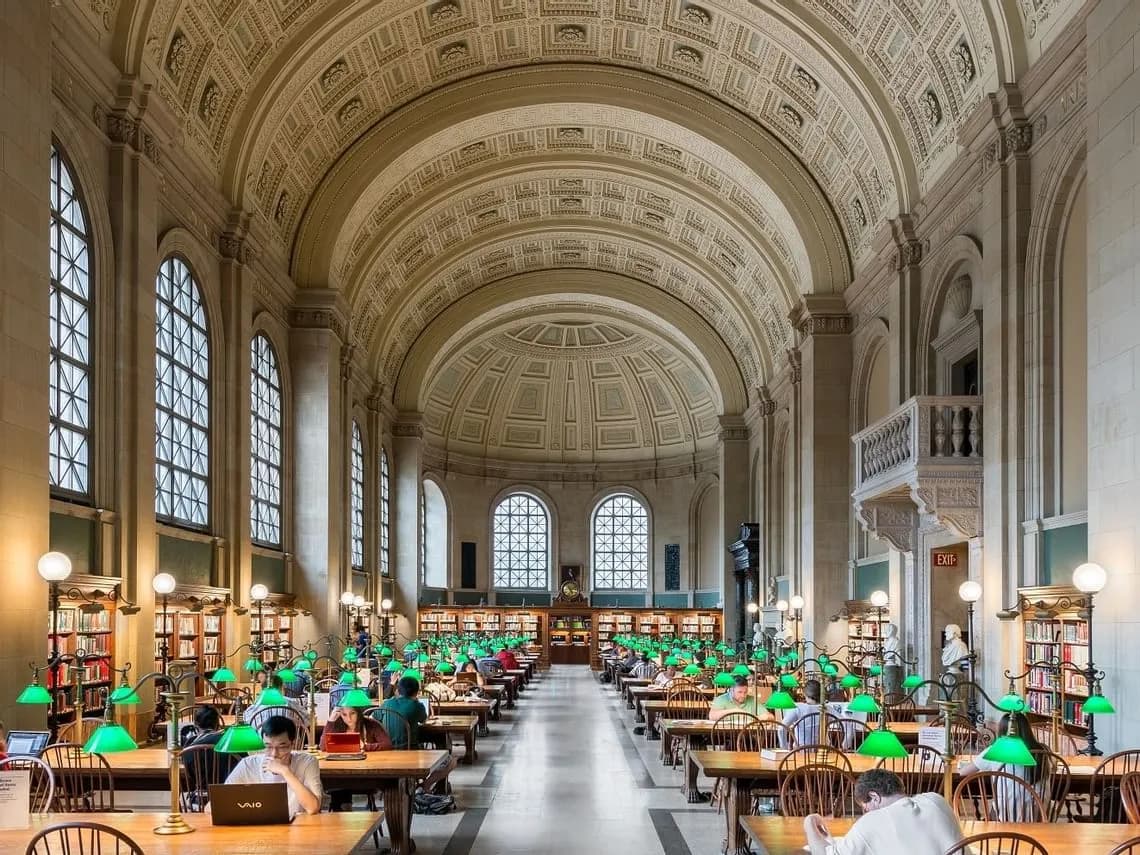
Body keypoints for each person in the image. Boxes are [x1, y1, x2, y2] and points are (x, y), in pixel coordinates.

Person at [804, 768, 962, 855]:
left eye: (865, 808)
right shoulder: (935, 799)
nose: (866, 813)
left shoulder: (871, 822)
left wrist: (810, 822)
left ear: (874, 797)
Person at [222, 715, 322, 816]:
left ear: (292, 744)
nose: (274, 754)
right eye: (268, 747)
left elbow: (312, 808)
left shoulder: (307, 762)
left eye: (282, 747)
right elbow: (220, 802)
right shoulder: (248, 764)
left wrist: (285, 772)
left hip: (297, 824)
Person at [958, 711, 1046, 821]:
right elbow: (1053, 768)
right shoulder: (1043, 751)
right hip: (1038, 817)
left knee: (998, 806)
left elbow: (963, 772)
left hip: (1005, 817)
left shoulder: (995, 751)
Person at [378, 677, 457, 793]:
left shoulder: (386, 704)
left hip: (386, 752)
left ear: (398, 690)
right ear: (416, 692)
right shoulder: (416, 705)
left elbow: (375, 718)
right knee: (451, 760)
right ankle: (426, 785)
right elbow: (423, 719)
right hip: (410, 753)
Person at [321, 703, 393, 811]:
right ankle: (342, 810)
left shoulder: (371, 724)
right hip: (341, 772)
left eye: (352, 713)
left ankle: (343, 809)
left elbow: (387, 744)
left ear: (358, 713)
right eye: (344, 714)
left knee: (340, 784)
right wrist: (330, 721)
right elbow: (323, 746)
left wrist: (365, 746)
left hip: (365, 773)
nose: (348, 718)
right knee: (338, 781)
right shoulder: (336, 725)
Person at [244, 675, 310, 725]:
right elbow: (308, 720)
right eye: (283, 687)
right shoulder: (288, 702)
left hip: (260, 739)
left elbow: (246, 720)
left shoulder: (256, 705)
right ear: (281, 687)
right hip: (286, 739)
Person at [778, 679, 823, 747]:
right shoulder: (826, 708)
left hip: (800, 751)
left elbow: (781, 728)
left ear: (804, 694)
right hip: (825, 751)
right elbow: (841, 721)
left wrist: (784, 747)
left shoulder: (797, 708)